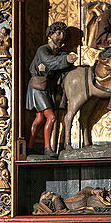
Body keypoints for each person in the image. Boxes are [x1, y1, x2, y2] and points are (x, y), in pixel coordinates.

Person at [26, 22, 77, 155]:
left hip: (48, 88)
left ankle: (30, 146)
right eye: (58, 33)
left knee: (40, 119)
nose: (61, 36)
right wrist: (65, 59)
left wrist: (60, 93)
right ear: (51, 34)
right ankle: (47, 148)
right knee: (51, 117)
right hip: (38, 87)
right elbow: (50, 62)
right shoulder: (43, 50)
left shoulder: (59, 53)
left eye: (63, 34)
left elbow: (62, 73)